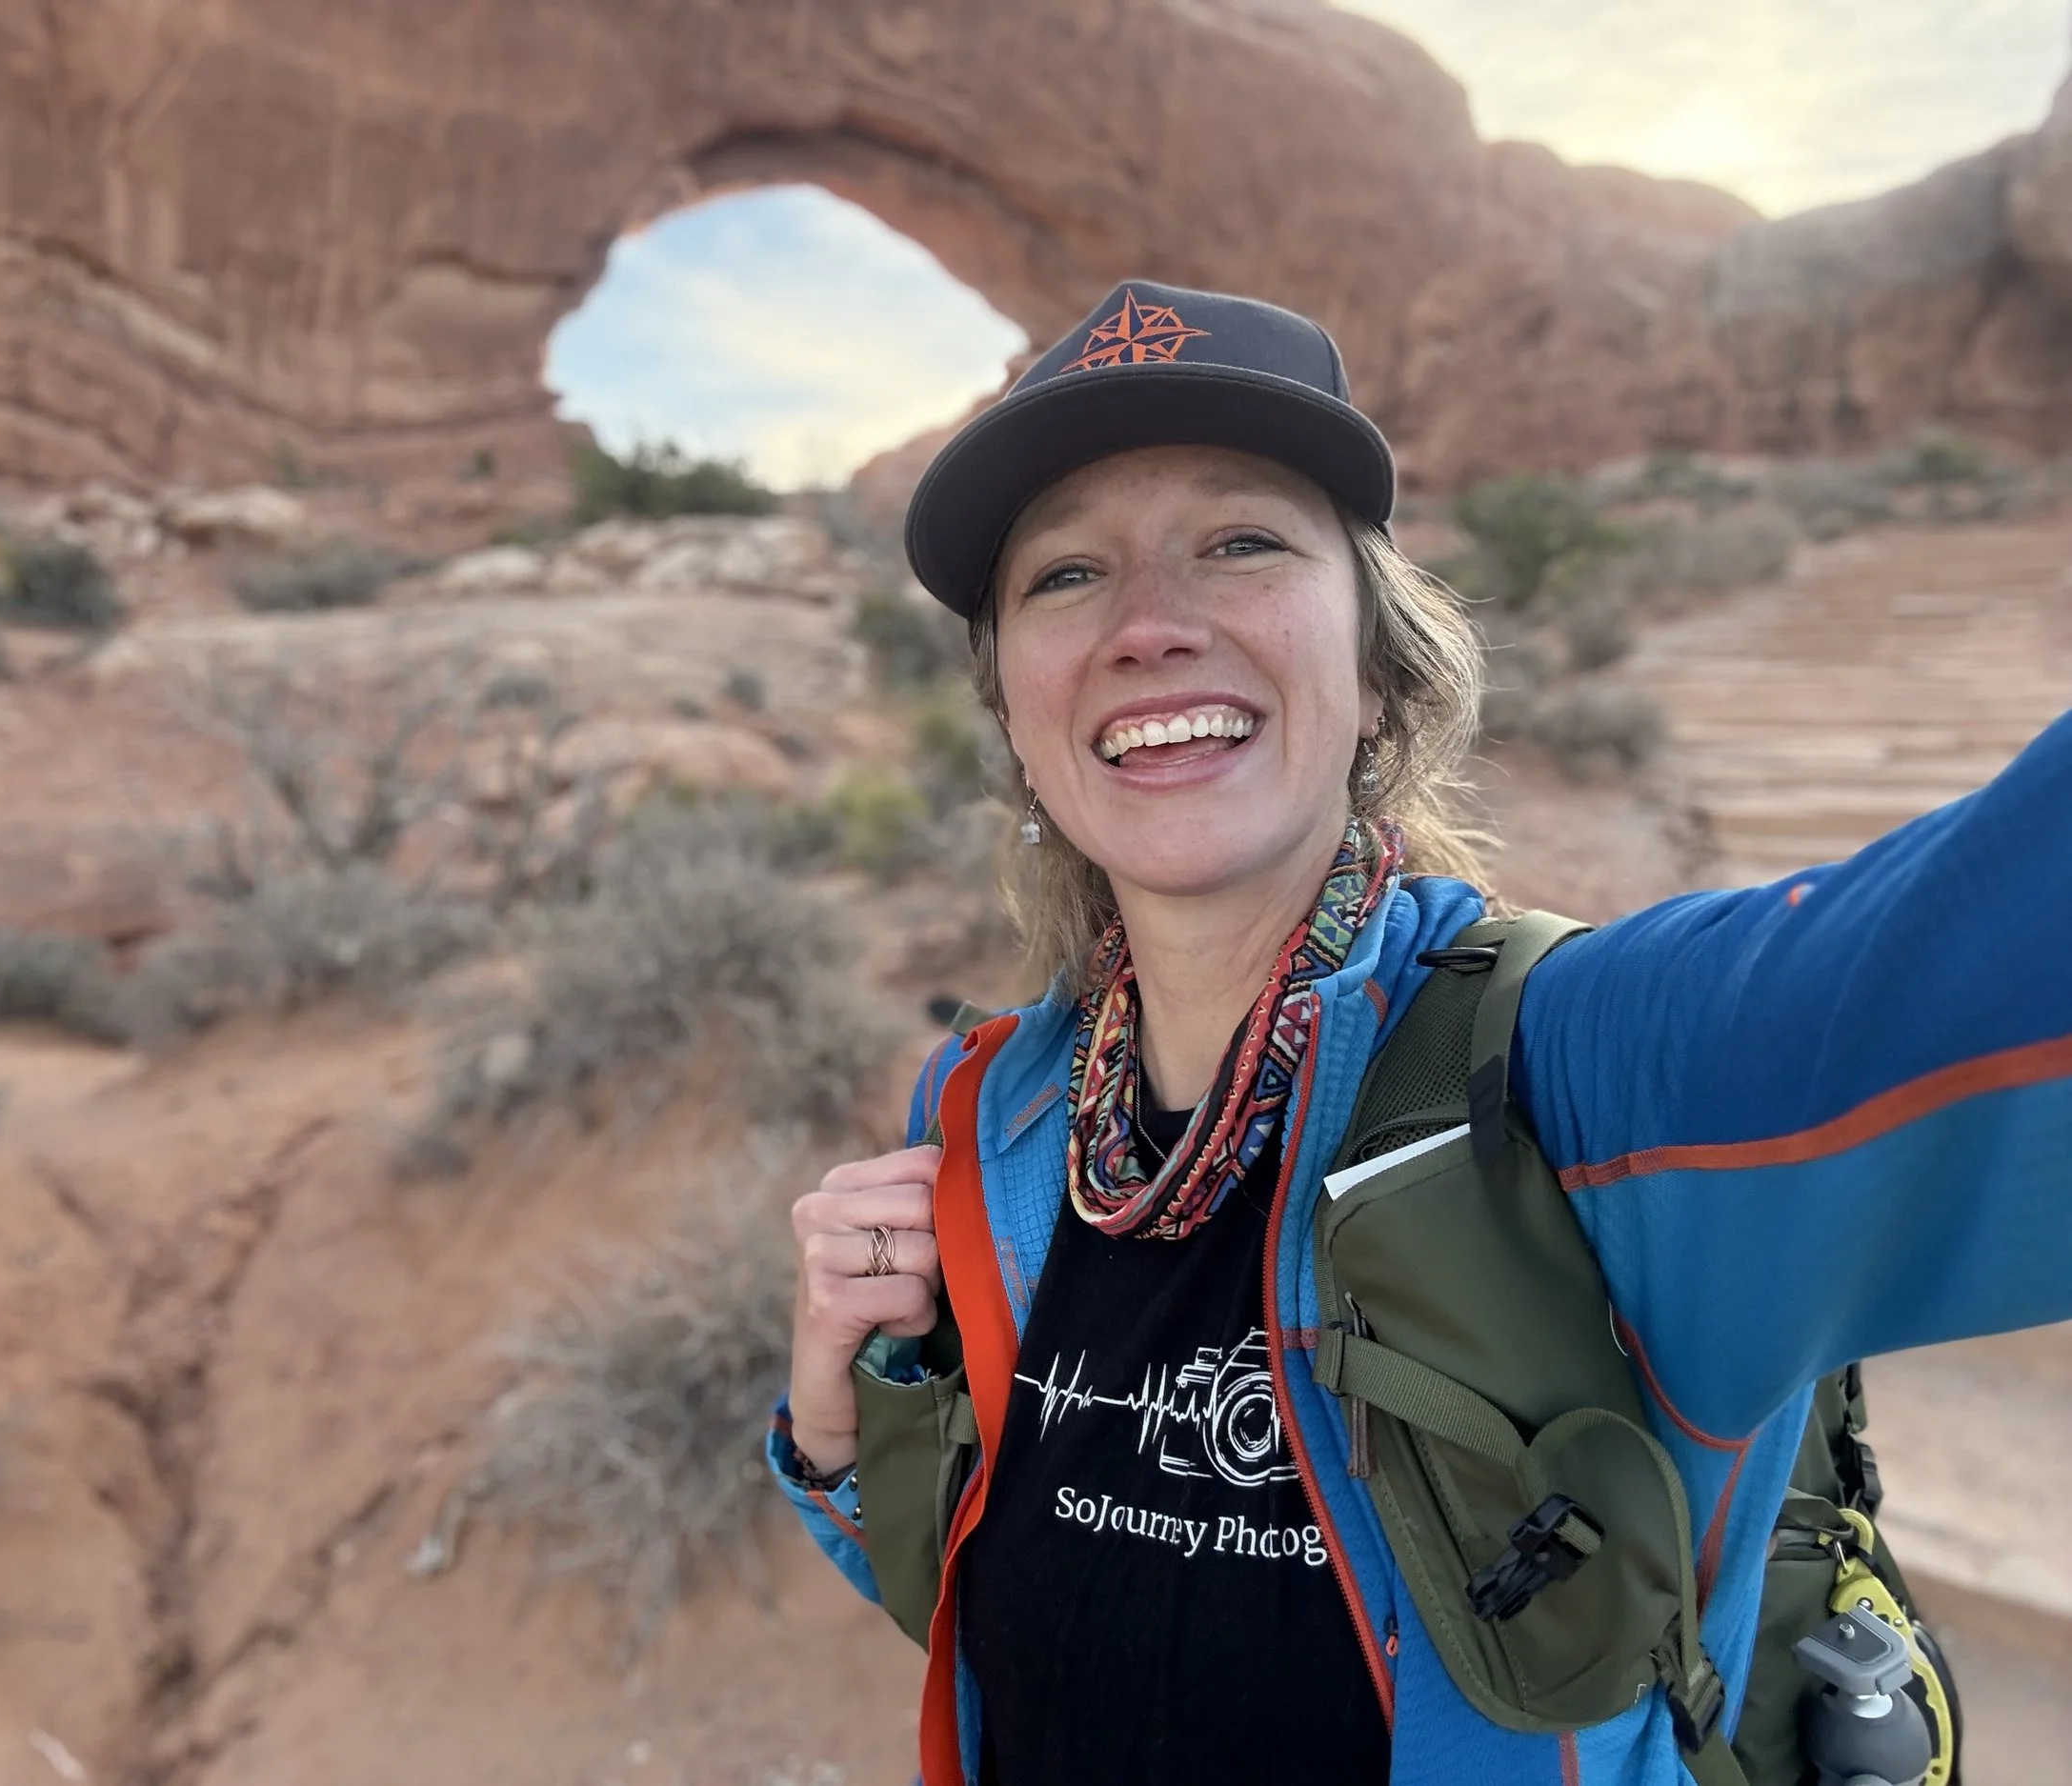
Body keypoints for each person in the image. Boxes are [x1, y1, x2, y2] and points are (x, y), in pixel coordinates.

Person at [767, 279, 2072, 1786]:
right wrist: (834, 1440)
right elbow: (1010, 1611)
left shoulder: (1588, 1078)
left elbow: (1983, 950)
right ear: (1015, 712)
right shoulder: (992, 1111)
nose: (1148, 625)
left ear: (1381, 663)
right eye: (1064, 575)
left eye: (1242, 540)